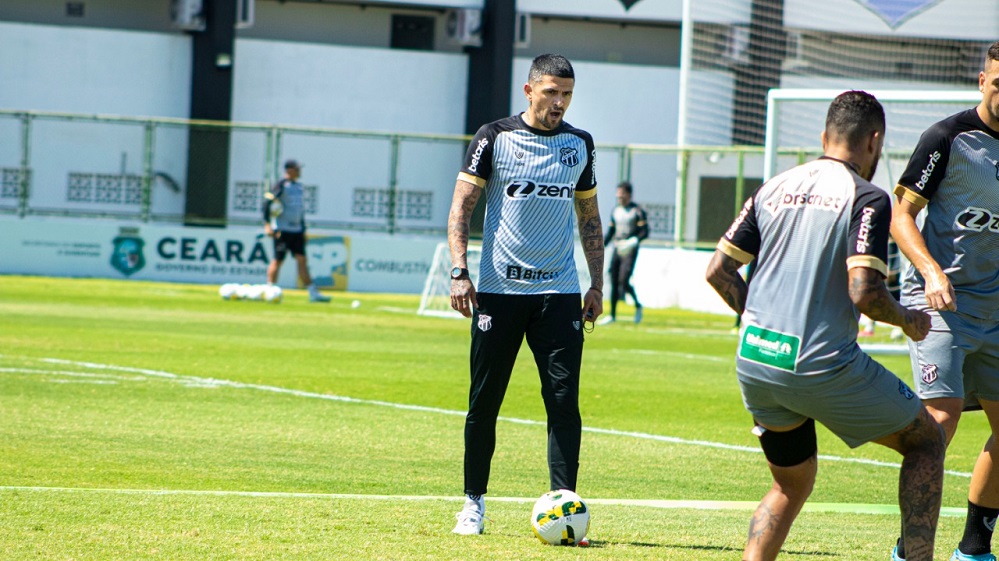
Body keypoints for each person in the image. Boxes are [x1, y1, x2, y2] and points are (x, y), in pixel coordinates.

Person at [705, 90, 944, 561]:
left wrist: (758, 319)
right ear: (874, 141)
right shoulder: (867, 197)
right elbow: (865, 292)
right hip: (820, 365)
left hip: (756, 361)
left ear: (823, 137)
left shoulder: (773, 187)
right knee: (926, 441)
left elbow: (718, 271)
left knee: (790, 483)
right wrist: (909, 320)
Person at [447, 53, 604, 539]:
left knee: (563, 402)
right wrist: (460, 271)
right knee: (484, 401)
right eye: (552, 92)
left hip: (559, 292)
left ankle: (566, 507)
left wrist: (597, 283)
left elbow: (590, 218)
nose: (559, 102)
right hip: (499, 291)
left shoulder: (580, 144)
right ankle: (473, 504)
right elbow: (462, 207)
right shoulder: (494, 137)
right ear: (529, 90)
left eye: (567, 94)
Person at [890, 41, 999, 561]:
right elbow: (901, 215)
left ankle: (974, 549)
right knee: (942, 416)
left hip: (996, 308)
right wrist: (931, 270)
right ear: (982, 81)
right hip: (943, 302)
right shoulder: (948, 138)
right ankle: (908, 547)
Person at [263, 159, 330, 303]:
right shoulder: (281, 185)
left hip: (297, 231)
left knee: (302, 260)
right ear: (289, 170)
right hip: (283, 230)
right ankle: (270, 289)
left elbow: (300, 211)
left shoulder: (299, 187)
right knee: (278, 260)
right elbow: (267, 204)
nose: (299, 171)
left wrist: (303, 230)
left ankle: (313, 292)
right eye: (296, 169)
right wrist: (267, 225)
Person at [600, 181, 649, 324]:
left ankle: (638, 305)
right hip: (618, 248)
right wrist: (601, 247)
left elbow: (645, 231)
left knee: (624, 279)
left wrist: (633, 241)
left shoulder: (637, 211)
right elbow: (611, 232)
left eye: (622, 193)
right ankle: (612, 315)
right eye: (618, 193)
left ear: (628, 194)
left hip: (630, 249)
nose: (619, 196)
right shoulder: (616, 210)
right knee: (614, 279)